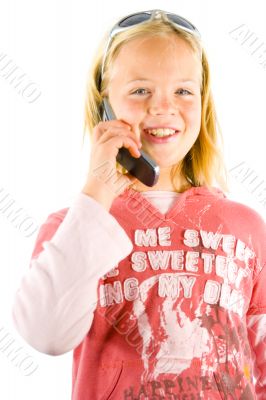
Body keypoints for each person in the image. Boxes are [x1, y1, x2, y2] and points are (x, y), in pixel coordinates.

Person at [12, 9, 266, 400]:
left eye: (183, 91)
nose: (162, 107)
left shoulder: (245, 226)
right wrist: (98, 190)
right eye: (140, 90)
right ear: (105, 106)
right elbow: (45, 333)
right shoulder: (75, 226)